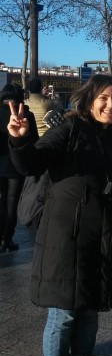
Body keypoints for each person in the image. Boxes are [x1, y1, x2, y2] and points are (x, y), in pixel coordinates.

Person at [7, 74, 112, 356]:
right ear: (89, 99)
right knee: (63, 313)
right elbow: (33, 162)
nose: (110, 105)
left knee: (89, 311)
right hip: (64, 235)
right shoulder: (70, 129)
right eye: (104, 98)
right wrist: (19, 138)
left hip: (99, 235)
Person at [0, 84, 38, 253]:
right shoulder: (27, 115)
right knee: (12, 202)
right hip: (16, 165)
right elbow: (35, 140)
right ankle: (7, 238)